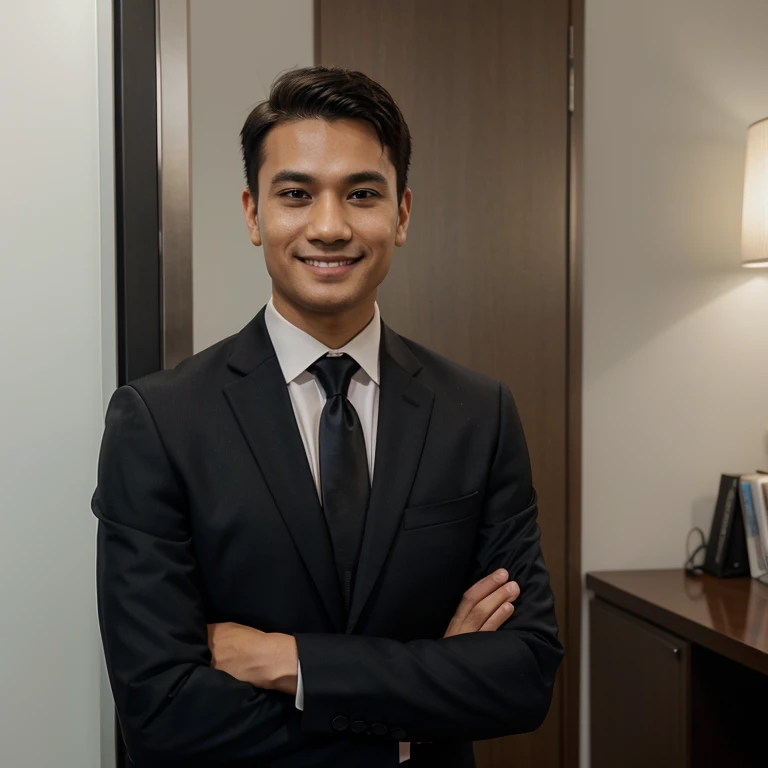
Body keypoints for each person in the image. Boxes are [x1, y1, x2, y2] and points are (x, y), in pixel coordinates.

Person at [92, 66, 563, 768]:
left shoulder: (478, 412)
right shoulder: (157, 422)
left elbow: (523, 676)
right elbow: (160, 711)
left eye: (362, 193)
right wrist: (412, 712)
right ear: (254, 214)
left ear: (402, 215)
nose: (330, 226)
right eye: (296, 194)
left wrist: (290, 662)